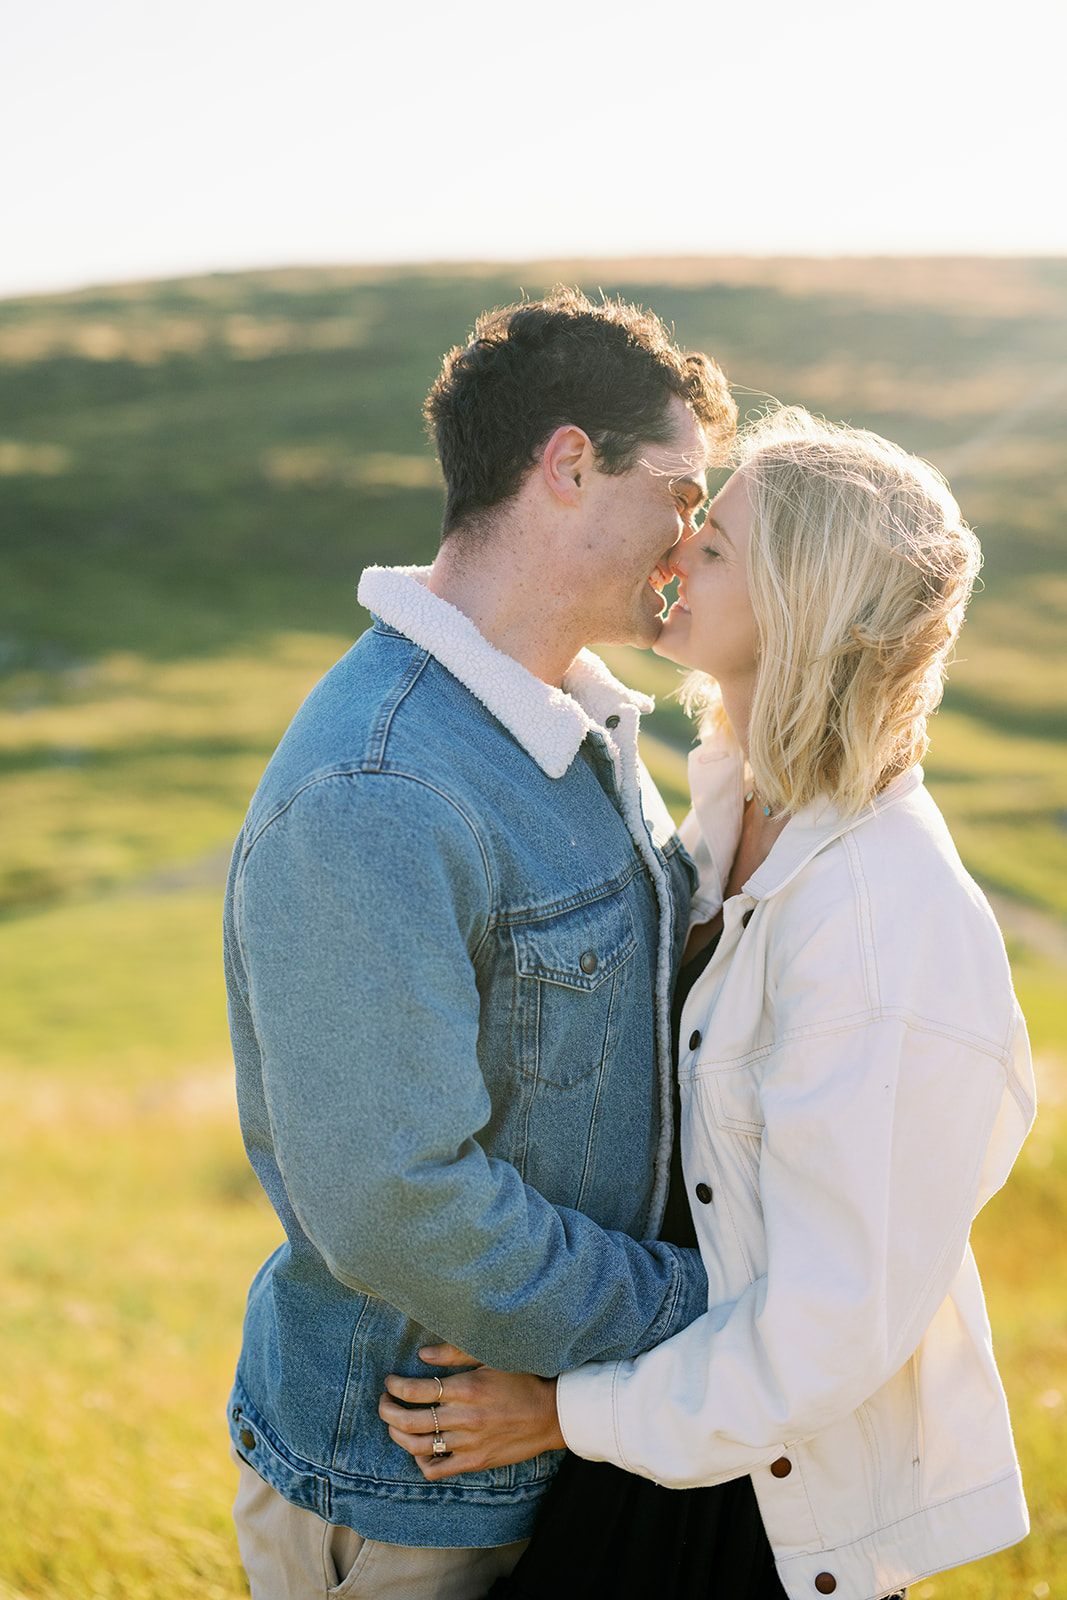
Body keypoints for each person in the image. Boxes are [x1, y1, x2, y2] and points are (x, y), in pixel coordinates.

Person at [380, 408, 1037, 1600]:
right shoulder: (739, 805)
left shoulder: (881, 921)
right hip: (656, 1444)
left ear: (804, 601)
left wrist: (556, 1414)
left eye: (717, 544)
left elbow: (826, 1332)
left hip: (753, 1517)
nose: (675, 554)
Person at [222, 287, 738, 1599]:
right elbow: (398, 1202)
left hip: (547, 1453)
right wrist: (694, 1311)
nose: (692, 538)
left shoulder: (567, 722)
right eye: (680, 493)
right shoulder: (381, 789)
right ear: (567, 464)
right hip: (413, 1488)